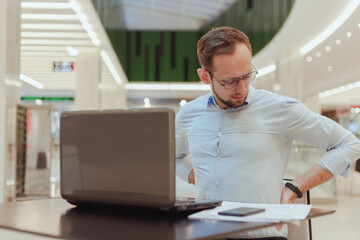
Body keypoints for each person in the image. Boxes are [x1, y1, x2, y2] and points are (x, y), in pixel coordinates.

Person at [175, 26, 360, 239]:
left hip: (263, 236)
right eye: (230, 81)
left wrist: (295, 187)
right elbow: (172, 158)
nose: (242, 88)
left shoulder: (280, 108)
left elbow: (349, 144)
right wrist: (194, 176)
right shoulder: (188, 114)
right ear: (205, 77)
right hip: (205, 234)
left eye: (246, 75)